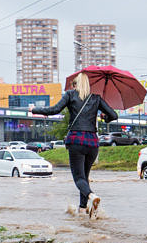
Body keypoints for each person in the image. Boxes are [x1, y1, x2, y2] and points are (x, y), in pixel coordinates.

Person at [30, 73, 118, 217]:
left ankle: (91, 196)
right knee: (84, 176)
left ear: (75, 85)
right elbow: (114, 115)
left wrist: (34, 110)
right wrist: (104, 117)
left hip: (76, 140)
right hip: (92, 142)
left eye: (73, 85)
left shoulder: (70, 95)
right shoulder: (96, 98)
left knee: (78, 178)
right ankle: (83, 209)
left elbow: (53, 110)